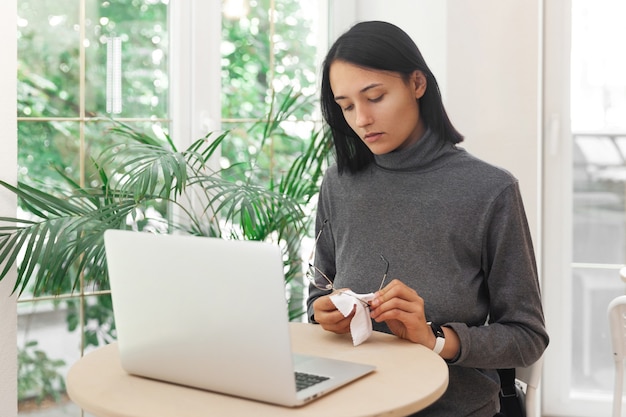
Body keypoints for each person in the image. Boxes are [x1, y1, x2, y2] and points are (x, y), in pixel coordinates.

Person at [306, 20, 549, 417]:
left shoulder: (491, 190)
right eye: (347, 106)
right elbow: (318, 297)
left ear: (417, 84)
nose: (361, 118)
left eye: (375, 97)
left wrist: (435, 338)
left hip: (451, 407)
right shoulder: (338, 183)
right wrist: (325, 312)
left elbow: (527, 337)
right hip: (350, 402)